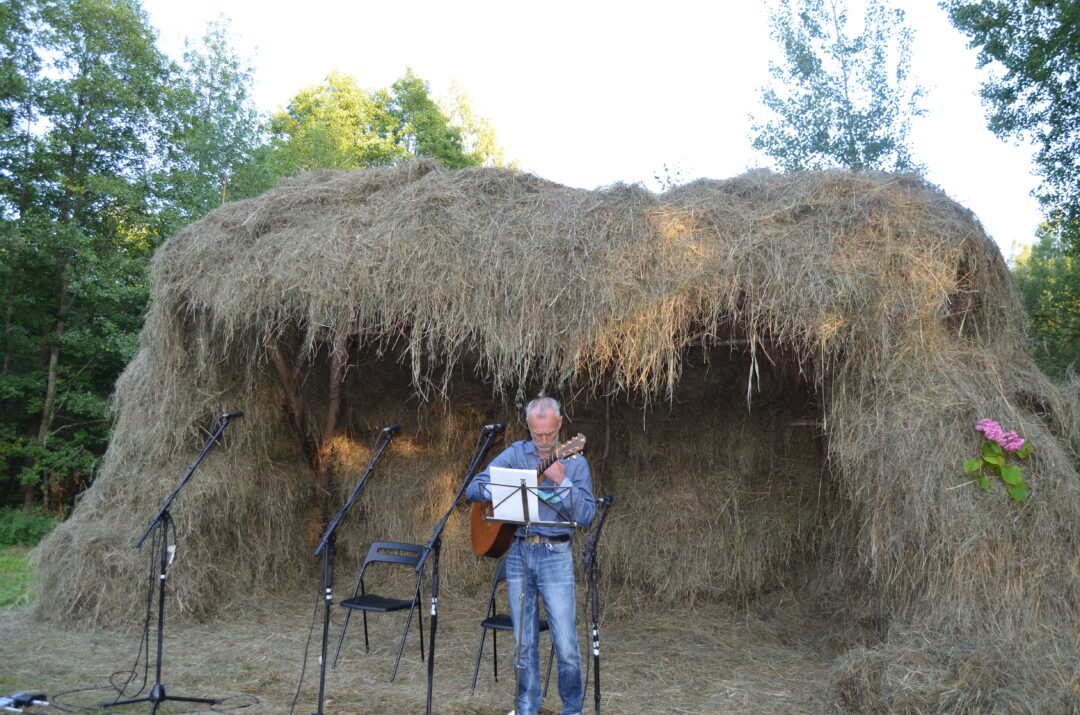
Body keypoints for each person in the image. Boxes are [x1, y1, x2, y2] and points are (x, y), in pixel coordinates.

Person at [466, 396, 596, 715]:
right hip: (518, 552)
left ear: (560, 425)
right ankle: (526, 708)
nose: (543, 440)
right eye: (537, 434)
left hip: (555, 554)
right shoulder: (515, 454)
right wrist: (503, 488)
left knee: (566, 643)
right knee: (524, 642)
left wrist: (561, 480)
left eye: (549, 433)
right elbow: (473, 488)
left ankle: (572, 710)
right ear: (528, 426)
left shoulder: (575, 463)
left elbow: (587, 515)